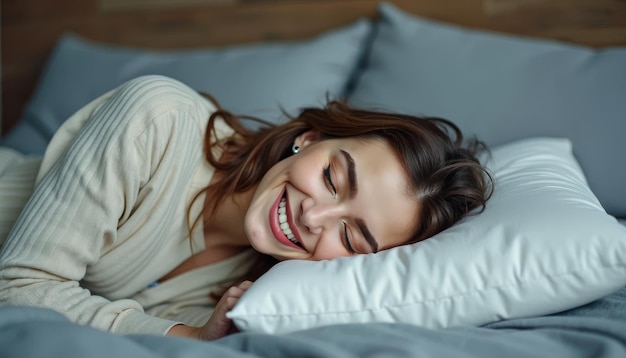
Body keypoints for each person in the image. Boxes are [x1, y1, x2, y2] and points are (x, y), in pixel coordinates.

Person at [0, 75, 492, 340]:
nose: (313, 217)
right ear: (310, 138)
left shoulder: (249, 291)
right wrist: (183, 336)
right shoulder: (159, 120)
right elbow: (18, 287)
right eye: (331, 178)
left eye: (351, 236)